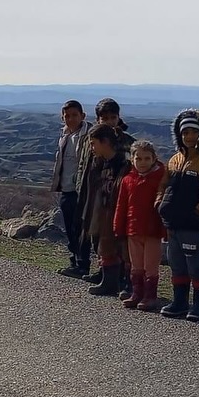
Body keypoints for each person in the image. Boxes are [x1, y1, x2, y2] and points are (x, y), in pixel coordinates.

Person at [158, 109, 199, 321]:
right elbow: (164, 185)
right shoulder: (174, 160)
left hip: (194, 224)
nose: (190, 137)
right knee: (176, 262)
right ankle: (179, 302)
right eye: (185, 133)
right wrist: (159, 203)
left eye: (194, 132)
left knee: (196, 264)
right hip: (172, 222)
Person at [80, 98, 135, 285]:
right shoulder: (93, 140)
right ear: (98, 120)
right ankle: (103, 270)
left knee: (113, 237)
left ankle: (116, 275)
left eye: (113, 117)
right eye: (105, 118)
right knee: (97, 234)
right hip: (96, 192)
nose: (109, 121)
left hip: (115, 196)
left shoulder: (127, 143)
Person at [113, 141, 168, 310]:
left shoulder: (160, 177)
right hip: (133, 229)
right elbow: (121, 205)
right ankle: (137, 293)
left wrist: (165, 230)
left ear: (154, 159)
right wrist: (118, 225)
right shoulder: (128, 180)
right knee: (135, 264)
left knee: (150, 266)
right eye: (138, 158)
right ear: (132, 159)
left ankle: (150, 296)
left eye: (147, 158)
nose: (142, 162)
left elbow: (164, 205)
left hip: (152, 230)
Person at [51, 100, 90, 278]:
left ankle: (83, 264)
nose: (71, 119)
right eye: (67, 116)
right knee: (70, 227)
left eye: (74, 115)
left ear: (83, 116)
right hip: (67, 188)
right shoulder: (65, 135)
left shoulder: (88, 135)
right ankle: (75, 261)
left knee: (79, 229)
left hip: (81, 190)